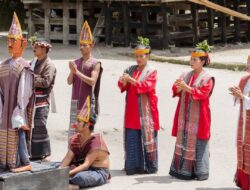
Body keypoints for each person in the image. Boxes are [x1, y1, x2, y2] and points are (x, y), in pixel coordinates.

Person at [169, 40, 215, 180]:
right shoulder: (185, 75)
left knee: (199, 142)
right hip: (185, 114)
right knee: (183, 139)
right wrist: (178, 87)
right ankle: (182, 170)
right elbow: (175, 90)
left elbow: (202, 94)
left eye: (195, 59)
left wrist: (186, 87)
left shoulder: (208, 78)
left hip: (200, 116)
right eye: (191, 59)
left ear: (202, 61)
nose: (192, 62)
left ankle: (200, 172)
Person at [118, 36, 159, 175]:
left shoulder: (151, 71)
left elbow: (147, 86)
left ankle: (149, 166)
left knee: (147, 136)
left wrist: (132, 80)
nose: (139, 59)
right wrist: (124, 81)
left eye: (142, 56)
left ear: (147, 56)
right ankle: (132, 166)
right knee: (132, 137)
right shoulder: (130, 69)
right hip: (131, 109)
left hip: (146, 109)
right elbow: (121, 85)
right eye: (137, 56)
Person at [0, 12, 34, 173]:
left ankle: (25, 161)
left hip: (17, 107)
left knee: (19, 130)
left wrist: (19, 109)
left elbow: (24, 91)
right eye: (8, 40)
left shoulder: (24, 66)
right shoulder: (3, 64)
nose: (10, 44)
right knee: (5, 131)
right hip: (5, 107)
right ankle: (6, 162)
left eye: (13, 40)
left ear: (23, 43)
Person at [60, 96, 110, 189]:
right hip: (81, 166)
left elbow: (86, 165)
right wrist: (59, 172)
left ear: (87, 125)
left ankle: (74, 186)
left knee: (79, 177)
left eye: (79, 122)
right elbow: (67, 158)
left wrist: (65, 174)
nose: (76, 123)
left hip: (97, 171)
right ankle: (68, 182)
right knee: (55, 167)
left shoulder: (96, 142)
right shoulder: (75, 138)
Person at [67, 21, 102, 140]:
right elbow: (69, 81)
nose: (81, 47)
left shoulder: (95, 63)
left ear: (91, 45)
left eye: (85, 45)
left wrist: (77, 72)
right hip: (75, 101)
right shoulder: (76, 61)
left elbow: (92, 81)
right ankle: (72, 156)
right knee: (73, 131)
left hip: (87, 102)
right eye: (80, 44)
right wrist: (72, 71)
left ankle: (85, 157)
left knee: (85, 132)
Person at [30, 38, 56, 160]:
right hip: (31, 100)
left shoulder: (49, 64)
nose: (34, 48)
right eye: (34, 46)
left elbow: (46, 82)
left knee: (40, 125)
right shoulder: (33, 61)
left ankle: (45, 152)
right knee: (32, 126)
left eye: (37, 46)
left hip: (42, 101)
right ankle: (34, 153)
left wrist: (30, 78)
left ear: (44, 49)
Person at [229, 55, 250, 190]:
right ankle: (243, 180)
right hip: (244, 118)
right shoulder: (244, 79)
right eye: (249, 62)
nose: (249, 65)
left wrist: (242, 97)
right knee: (243, 146)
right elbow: (239, 101)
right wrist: (237, 96)